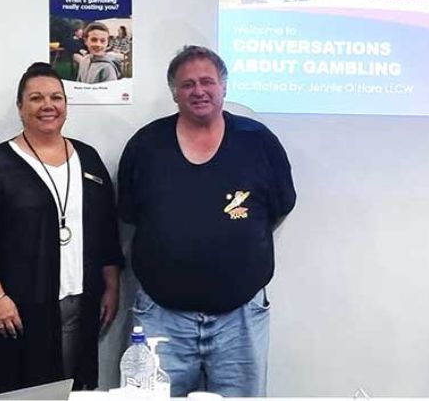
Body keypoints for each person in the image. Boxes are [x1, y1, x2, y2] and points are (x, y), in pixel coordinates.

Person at [118, 46, 296, 397]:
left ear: (224, 87)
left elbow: (279, 207)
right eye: (187, 85)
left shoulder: (258, 142)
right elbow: (131, 215)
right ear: (174, 93)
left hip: (240, 319)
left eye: (206, 82)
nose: (198, 91)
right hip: (160, 318)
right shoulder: (145, 146)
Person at [0, 62, 123, 394]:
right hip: (16, 310)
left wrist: (112, 285)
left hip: (78, 304)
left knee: (71, 389)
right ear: (20, 107)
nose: (48, 105)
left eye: (56, 97)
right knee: (20, 392)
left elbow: (105, 229)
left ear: (65, 105)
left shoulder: (87, 159)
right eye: (36, 98)